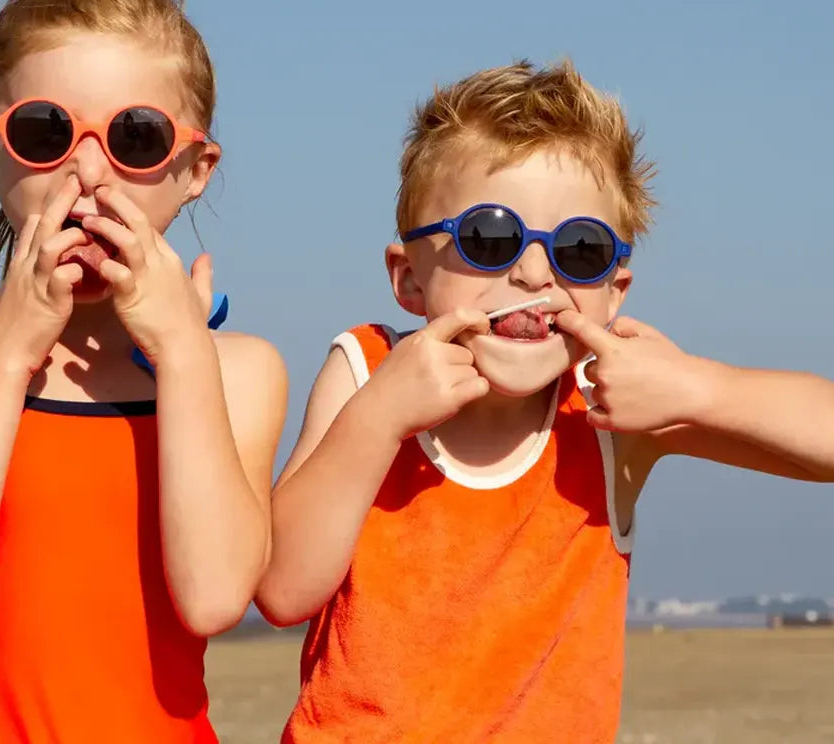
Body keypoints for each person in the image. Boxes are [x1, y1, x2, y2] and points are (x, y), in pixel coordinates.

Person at [257, 60, 834, 743]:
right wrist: (378, 420)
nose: (533, 272)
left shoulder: (607, 414)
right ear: (408, 278)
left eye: (578, 250)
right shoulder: (367, 371)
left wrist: (696, 388)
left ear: (615, 290)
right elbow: (283, 590)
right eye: (490, 238)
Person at [0, 0, 287, 744]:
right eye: (45, 132)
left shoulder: (236, 372)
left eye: (136, 137)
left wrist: (180, 353)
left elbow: (214, 597)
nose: (89, 172)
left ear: (194, 170)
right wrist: (9, 351)